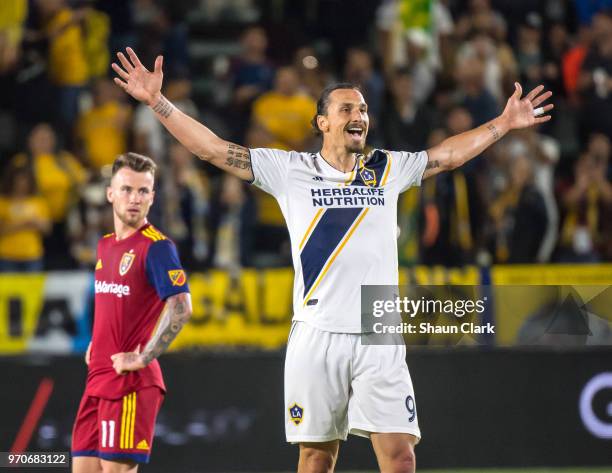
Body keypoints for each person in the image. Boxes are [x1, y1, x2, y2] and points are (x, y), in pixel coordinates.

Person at [112, 47, 552, 473]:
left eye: (361, 109)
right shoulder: (290, 170)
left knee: (401, 457)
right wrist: (158, 101)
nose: (357, 116)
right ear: (323, 121)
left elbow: (448, 155)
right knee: (317, 460)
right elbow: (212, 149)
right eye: (345, 109)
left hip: (378, 330)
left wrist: (503, 123)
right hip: (317, 333)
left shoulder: (386, 168)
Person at [71, 152, 192, 472]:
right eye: (126, 189)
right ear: (110, 193)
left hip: (130, 383)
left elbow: (181, 306)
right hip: (97, 378)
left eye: (143, 191)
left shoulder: (157, 247)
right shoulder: (105, 245)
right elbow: (115, 302)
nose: (134, 198)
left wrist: (143, 357)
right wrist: (96, 343)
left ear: (152, 197)